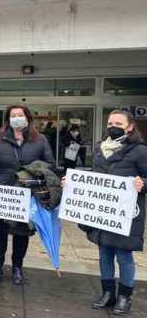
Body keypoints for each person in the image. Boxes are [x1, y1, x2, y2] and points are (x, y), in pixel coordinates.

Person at [74, 110, 146, 315]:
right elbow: (93, 177)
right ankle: (108, 293)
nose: (113, 125)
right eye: (110, 122)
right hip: (102, 212)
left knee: (124, 255)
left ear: (130, 126)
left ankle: (124, 296)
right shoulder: (100, 149)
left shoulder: (139, 151)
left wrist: (143, 183)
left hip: (126, 215)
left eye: (119, 122)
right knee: (104, 253)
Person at [0, 105, 53, 285]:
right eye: (13, 115)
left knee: (22, 232)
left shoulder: (40, 140)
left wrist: (31, 174)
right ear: (8, 119)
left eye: (20, 115)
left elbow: (49, 164)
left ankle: (17, 268)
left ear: (28, 118)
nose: (17, 118)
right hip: (1, 192)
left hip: (26, 192)